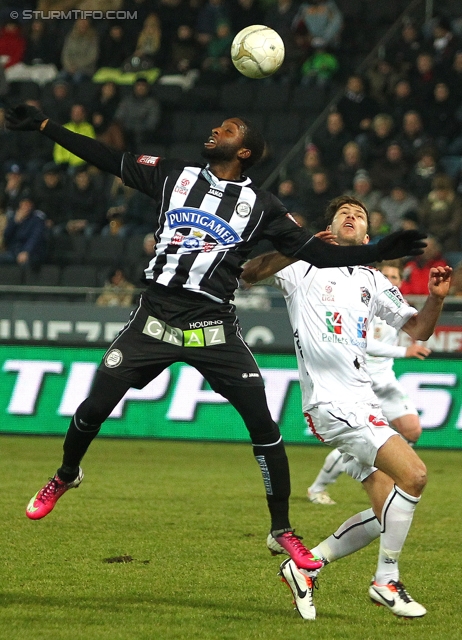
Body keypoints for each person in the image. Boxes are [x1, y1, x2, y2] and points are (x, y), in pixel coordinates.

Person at [6, 103, 425, 582]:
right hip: (155, 317)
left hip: (214, 327)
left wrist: (375, 251)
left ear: (243, 150)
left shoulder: (263, 205)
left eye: (226, 130)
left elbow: (314, 252)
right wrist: (45, 126)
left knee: (264, 428)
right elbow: (107, 157)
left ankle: (282, 529)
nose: (214, 130)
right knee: (93, 408)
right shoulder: (173, 176)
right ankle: (65, 475)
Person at [241, 195, 451, 619]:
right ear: (330, 231)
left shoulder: (372, 281)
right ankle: (385, 581)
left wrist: (437, 298)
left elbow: (419, 330)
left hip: (363, 399)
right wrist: (294, 248)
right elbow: (247, 275)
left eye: (359, 215)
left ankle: (306, 567)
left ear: (368, 236)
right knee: (416, 475)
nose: (351, 217)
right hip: (332, 403)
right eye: (343, 214)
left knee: (386, 509)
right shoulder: (301, 267)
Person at [307, 259, 431, 505]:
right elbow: (363, 343)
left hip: (386, 379)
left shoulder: (398, 308)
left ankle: (382, 462)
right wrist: (403, 352)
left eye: (395, 277)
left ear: (400, 281)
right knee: (360, 442)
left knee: (412, 429)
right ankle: (318, 487)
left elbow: (419, 327)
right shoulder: (362, 303)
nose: (390, 280)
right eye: (386, 276)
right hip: (361, 379)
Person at [0, 190, 47, 267]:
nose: (26, 207)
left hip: (32, 253)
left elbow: (35, 237)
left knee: (25, 262)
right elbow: (6, 236)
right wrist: (15, 222)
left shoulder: (37, 219)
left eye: (28, 204)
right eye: (24, 204)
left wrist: (26, 251)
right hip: (14, 251)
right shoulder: (14, 218)